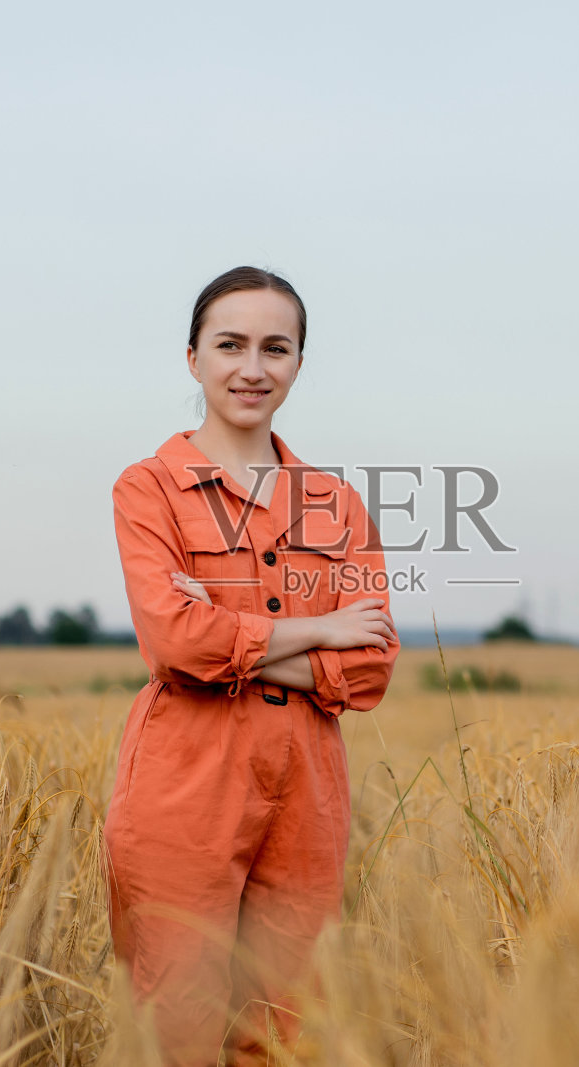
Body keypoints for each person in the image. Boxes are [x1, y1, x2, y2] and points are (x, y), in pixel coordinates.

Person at [104, 266, 401, 1065]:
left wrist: (234, 639)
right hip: (186, 776)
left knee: (284, 1026)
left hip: (307, 783)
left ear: (299, 364)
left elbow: (371, 667)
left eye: (277, 347)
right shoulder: (150, 488)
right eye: (229, 344)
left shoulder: (334, 504)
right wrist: (323, 627)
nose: (252, 367)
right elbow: (175, 640)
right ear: (193, 357)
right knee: (178, 1023)